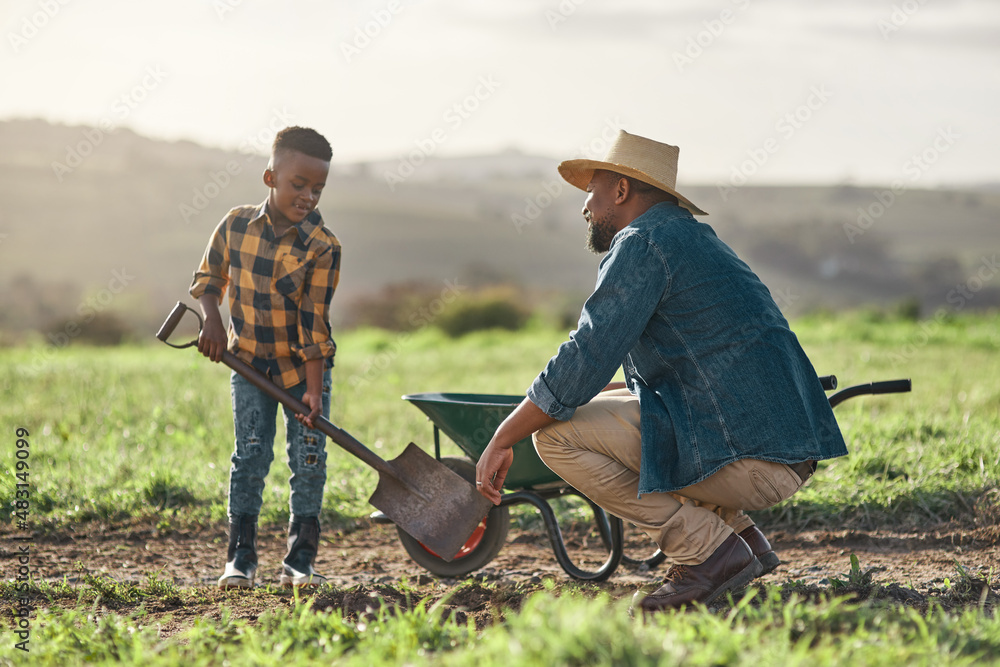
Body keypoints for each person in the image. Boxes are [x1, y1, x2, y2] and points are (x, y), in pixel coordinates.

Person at [475, 130, 846, 612]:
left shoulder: (642, 243)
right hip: (780, 452)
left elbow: (586, 353)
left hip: (753, 463)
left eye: (593, 190)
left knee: (554, 437)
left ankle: (708, 552)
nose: (586, 205)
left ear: (622, 190)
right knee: (599, 406)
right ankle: (739, 538)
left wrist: (504, 435)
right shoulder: (691, 238)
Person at [190, 126, 341, 589]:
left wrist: (314, 392)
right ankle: (241, 558)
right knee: (251, 456)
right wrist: (211, 320)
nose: (308, 196)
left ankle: (300, 561)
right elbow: (208, 280)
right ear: (270, 177)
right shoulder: (235, 224)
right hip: (250, 365)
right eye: (299, 184)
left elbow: (315, 324)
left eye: (318, 188)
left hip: (302, 371)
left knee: (309, 459)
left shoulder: (323, 246)